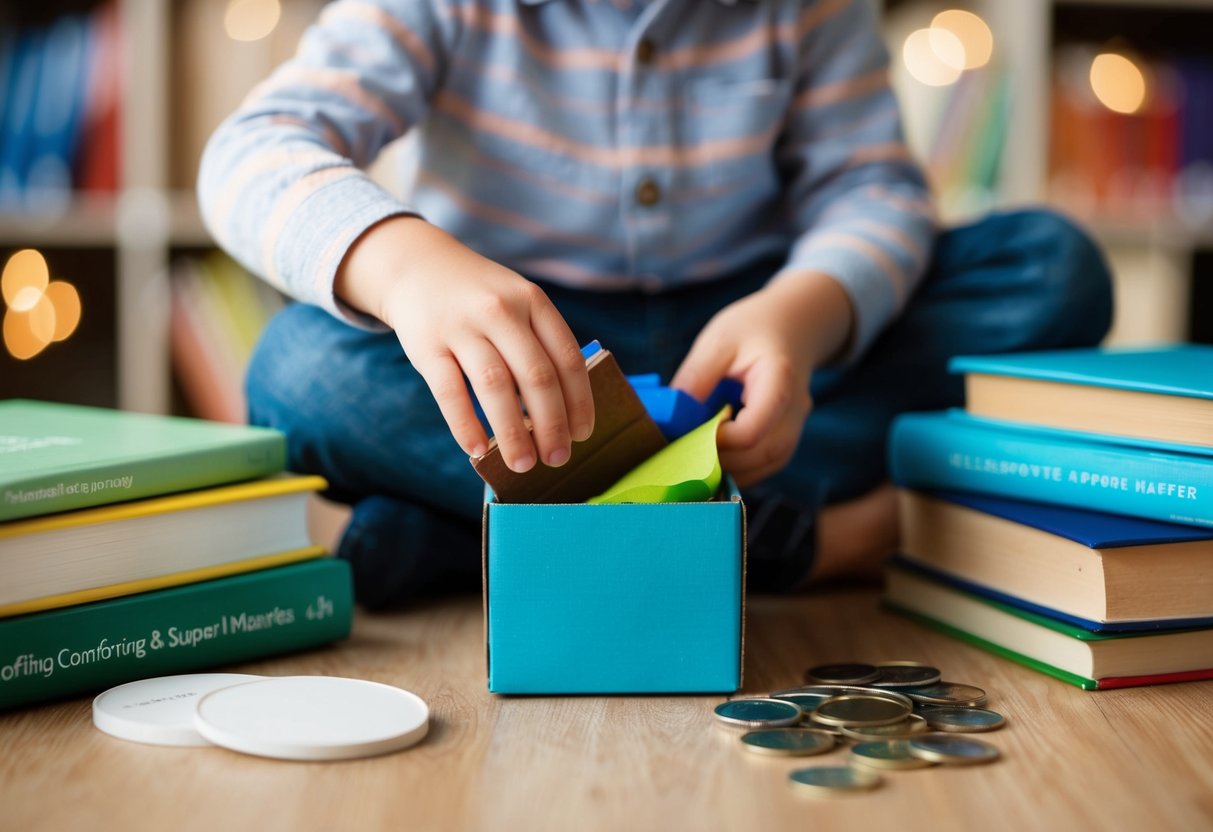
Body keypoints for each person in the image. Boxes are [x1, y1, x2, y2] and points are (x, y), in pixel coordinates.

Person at [199, 0, 1113, 608]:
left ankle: (462, 540)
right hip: (524, 366)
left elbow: (871, 190)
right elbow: (252, 149)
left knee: (1049, 268)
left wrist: (801, 312)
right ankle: (782, 543)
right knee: (296, 371)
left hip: (745, 355)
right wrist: (405, 270)